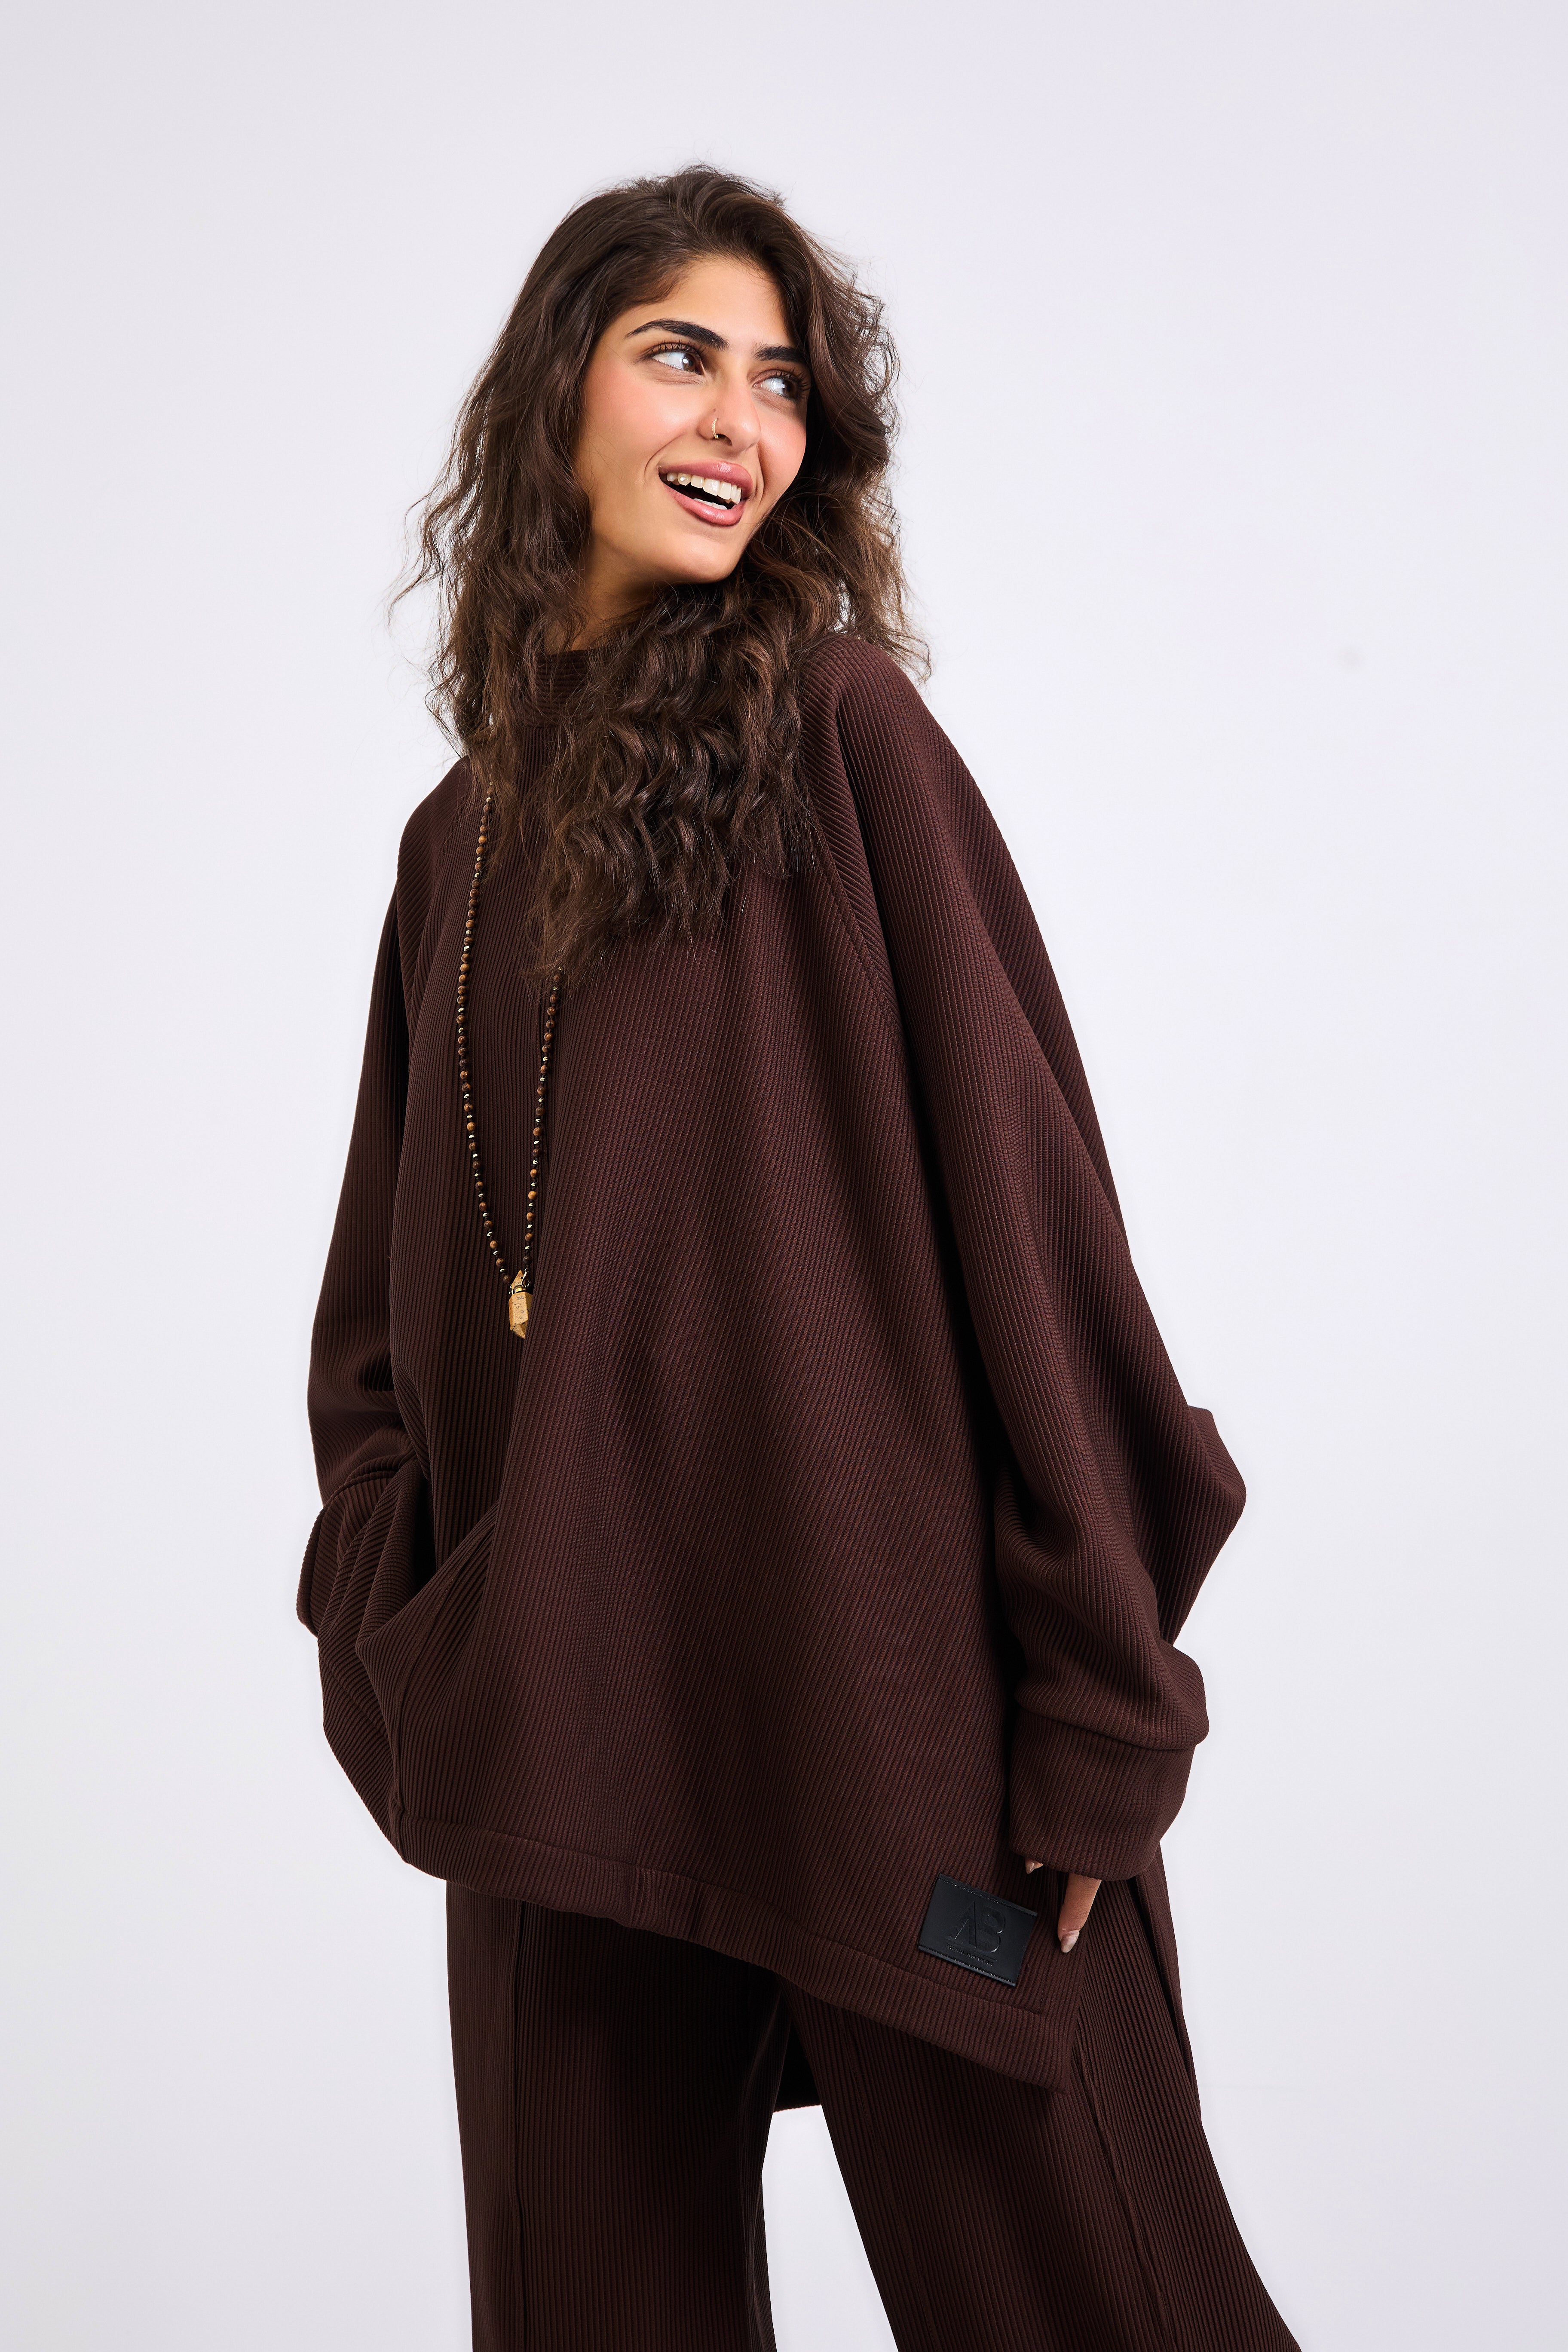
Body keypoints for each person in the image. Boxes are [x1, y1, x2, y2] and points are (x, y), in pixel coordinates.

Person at [299, 164, 1298, 2352]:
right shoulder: (455, 848)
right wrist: (404, 1631)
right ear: (555, 393)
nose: (741, 423)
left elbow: (1041, 1229)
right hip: (564, 1740)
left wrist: (1099, 1710)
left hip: (898, 1721)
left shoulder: (840, 736)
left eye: (780, 384)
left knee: (1112, 2308)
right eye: (684, 356)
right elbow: (385, 1331)